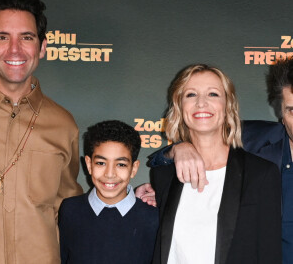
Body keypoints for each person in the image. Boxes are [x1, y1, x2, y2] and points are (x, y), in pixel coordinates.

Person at [150, 58, 293, 263]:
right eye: (191, 94)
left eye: (213, 94)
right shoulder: (166, 174)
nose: (201, 103)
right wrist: (177, 149)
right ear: (179, 107)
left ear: (228, 106)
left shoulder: (260, 173)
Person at [0, 0, 83, 263]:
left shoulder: (63, 124)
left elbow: (70, 210)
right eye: (2, 37)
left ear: (42, 47)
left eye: (27, 37)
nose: (15, 50)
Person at [59, 120, 159, 264]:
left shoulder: (153, 217)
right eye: (101, 163)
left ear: (134, 168)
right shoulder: (70, 210)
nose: (110, 174)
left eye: (121, 164)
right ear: (89, 164)